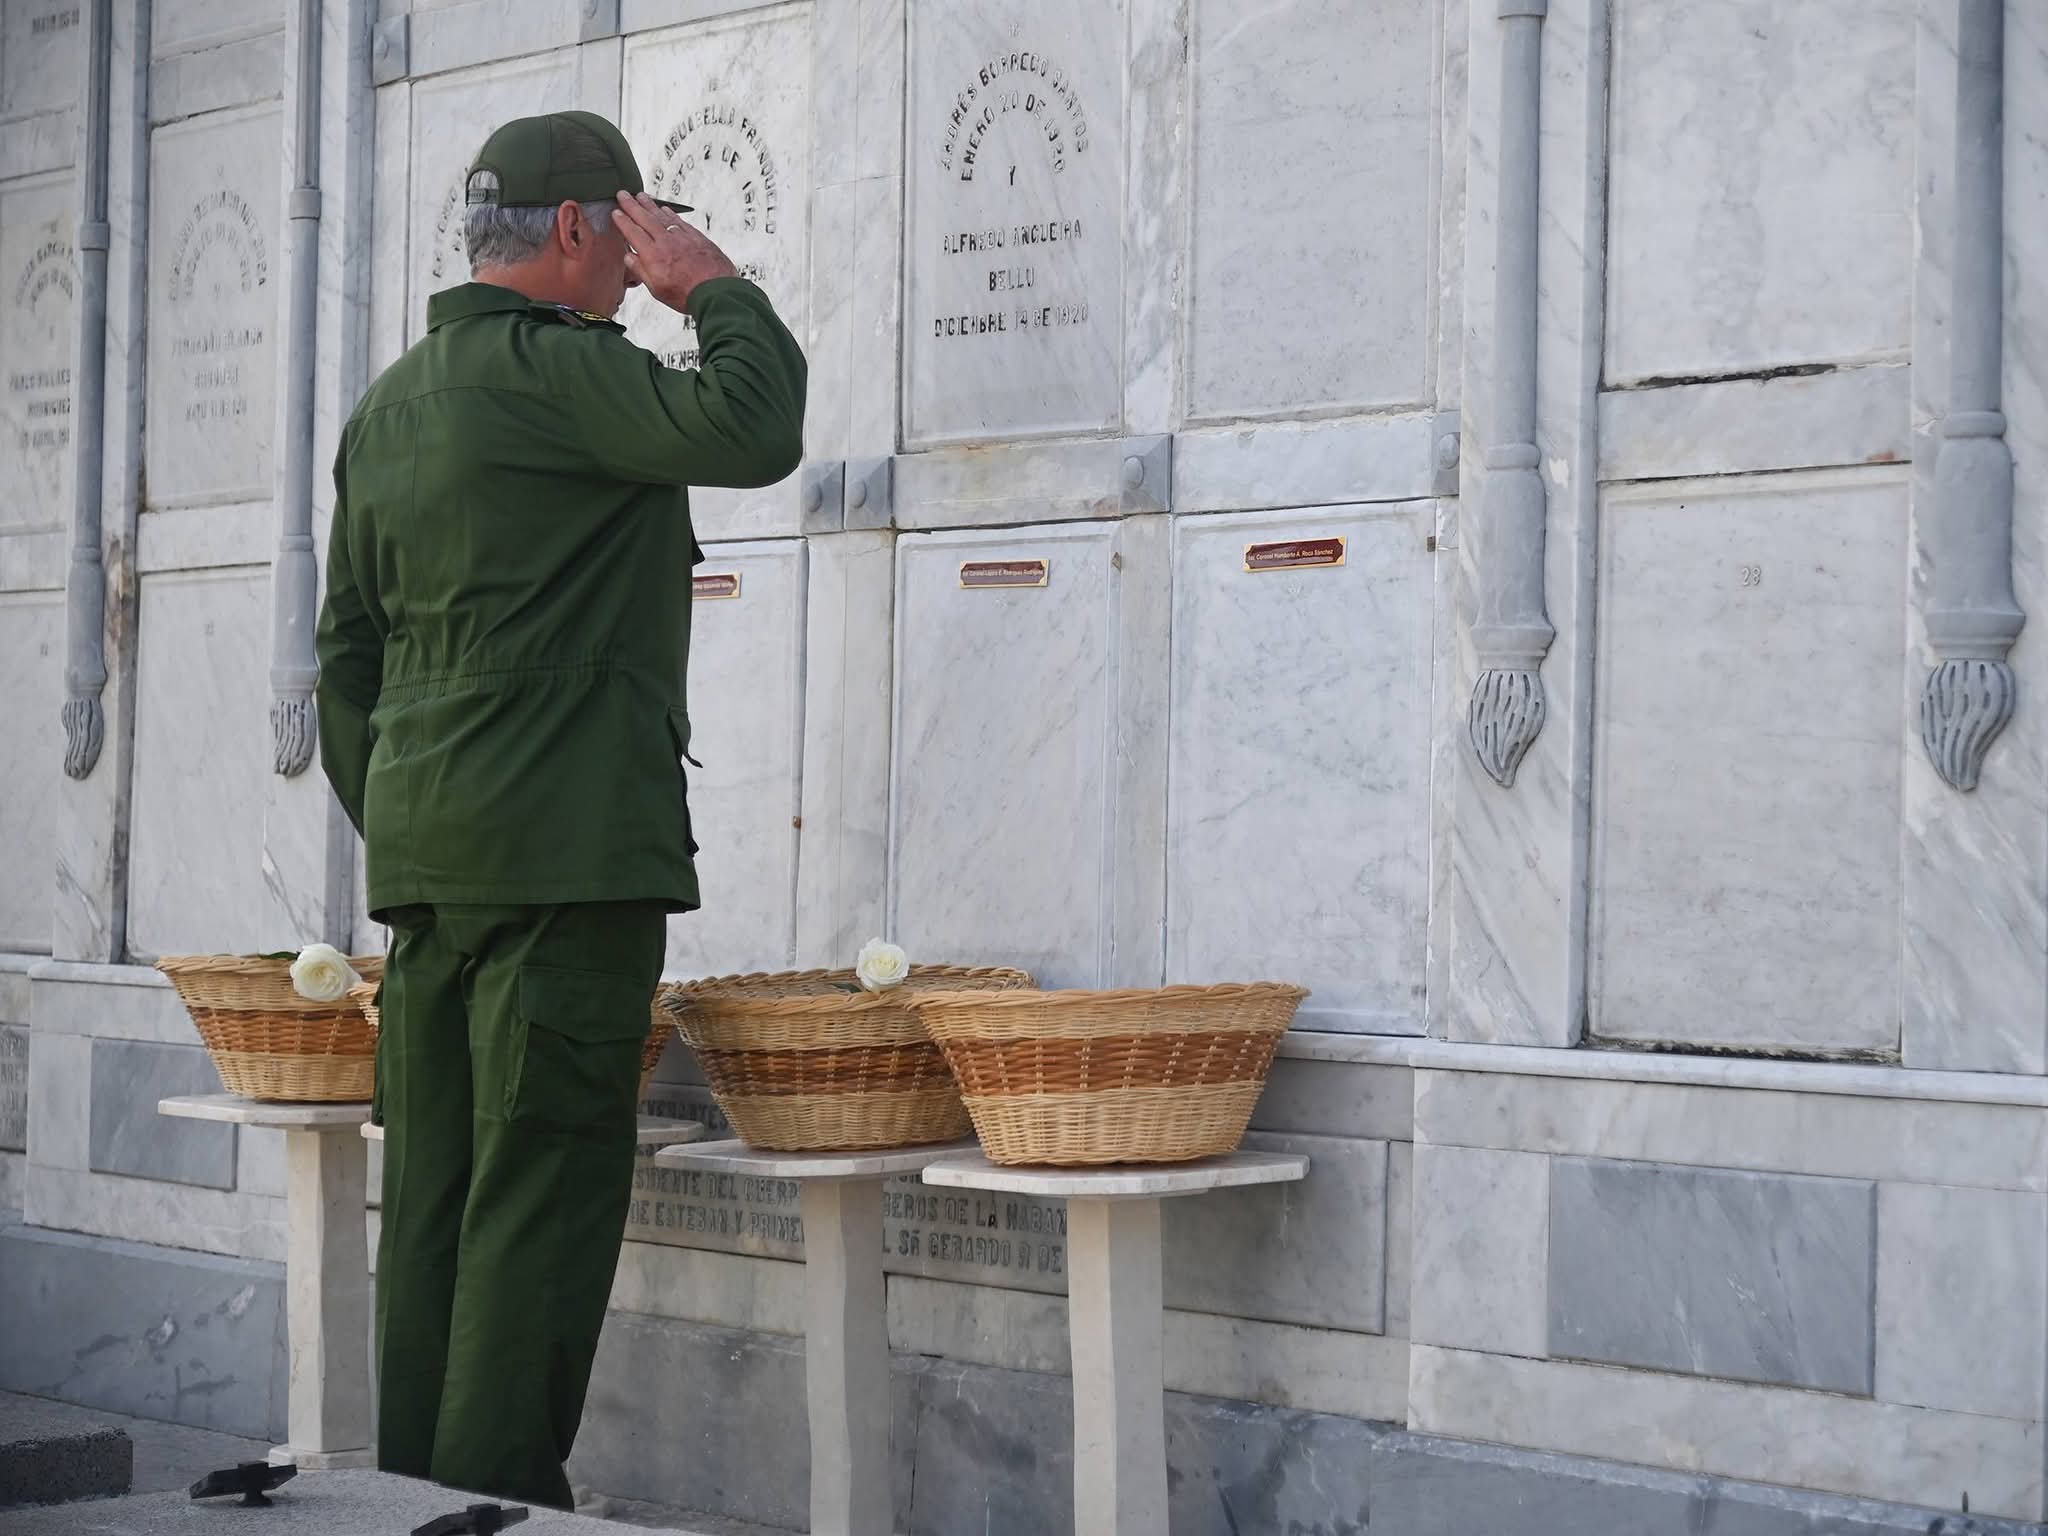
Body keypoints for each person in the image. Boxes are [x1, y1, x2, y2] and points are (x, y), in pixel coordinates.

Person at [312, 109, 806, 1508]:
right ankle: (494, 1509)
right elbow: (756, 425)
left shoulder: (389, 403)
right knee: (538, 1200)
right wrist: (711, 287)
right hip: (567, 868)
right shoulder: (567, 373)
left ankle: (409, 1505)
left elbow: (345, 659)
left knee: (434, 1207)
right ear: (581, 228)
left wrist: (416, 819)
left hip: (433, 881)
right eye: (632, 227)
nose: (639, 260)